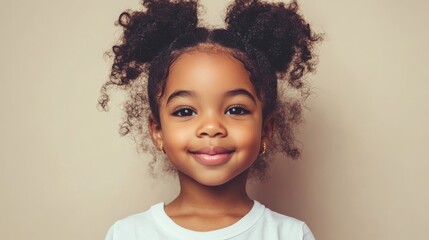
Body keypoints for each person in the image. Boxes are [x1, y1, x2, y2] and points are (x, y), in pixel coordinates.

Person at [99, 0, 321, 239]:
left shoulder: (290, 235)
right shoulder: (128, 234)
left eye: (235, 110)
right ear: (157, 131)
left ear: (265, 130)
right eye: (185, 112)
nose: (212, 128)